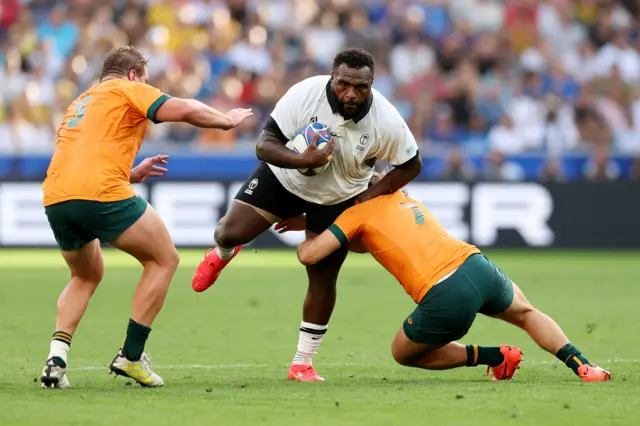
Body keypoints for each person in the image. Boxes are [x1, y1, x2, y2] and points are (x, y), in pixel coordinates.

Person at [192, 48, 422, 381]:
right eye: (344, 84)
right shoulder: (305, 94)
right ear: (333, 77)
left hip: (339, 197)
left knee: (323, 277)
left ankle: (302, 363)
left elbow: (411, 164)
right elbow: (264, 144)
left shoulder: (386, 120)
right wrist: (305, 160)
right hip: (285, 176)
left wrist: (368, 199)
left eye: (361, 87)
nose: (351, 93)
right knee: (228, 232)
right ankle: (222, 254)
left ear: (372, 83)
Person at [40, 46, 252, 389]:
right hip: (101, 193)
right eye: (147, 79)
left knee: (86, 274)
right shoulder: (128, 88)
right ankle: (131, 356)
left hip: (57, 197)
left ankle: (56, 358)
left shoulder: (81, 101)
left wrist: (130, 174)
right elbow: (182, 108)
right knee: (164, 258)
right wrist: (226, 120)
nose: (149, 85)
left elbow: (84, 153)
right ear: (133, 74)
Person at [289, 172, 612, 382]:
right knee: (527, 314)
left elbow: (310, 255)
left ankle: (493, 356)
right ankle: (583, 366)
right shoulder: (403, 197)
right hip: (477, 265)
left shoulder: (355, 214)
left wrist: (312, 229)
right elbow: (367, 243)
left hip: (445, 292)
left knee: (403, 353)